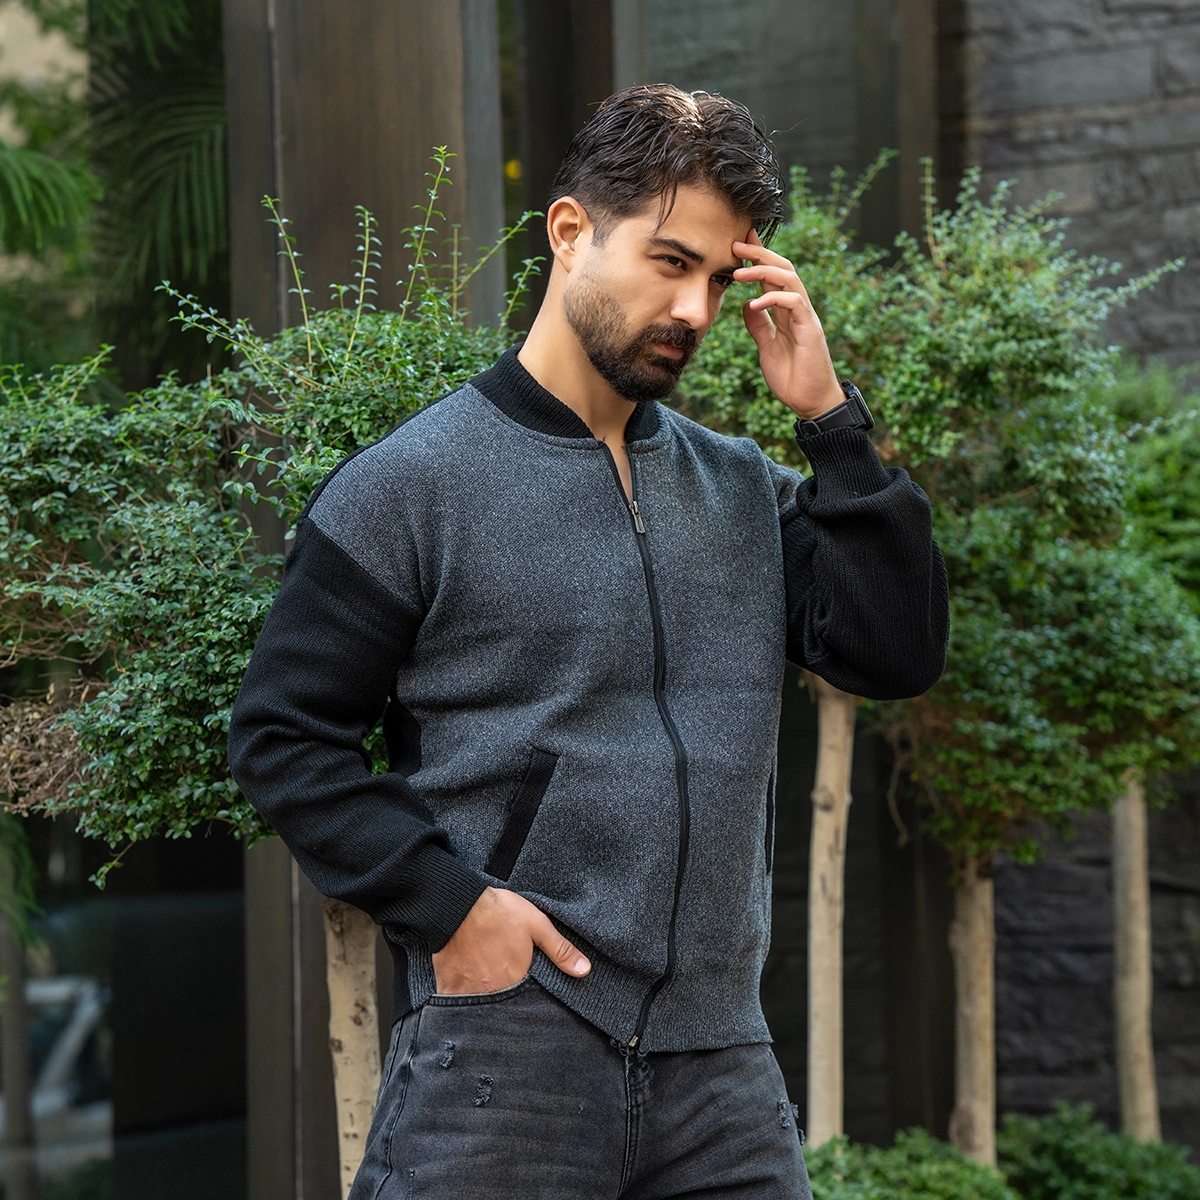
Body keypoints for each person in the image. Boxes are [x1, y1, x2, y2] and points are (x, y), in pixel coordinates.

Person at [228, 83, 948, 1200]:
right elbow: (282, 737)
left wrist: (831, 422)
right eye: (669, 262)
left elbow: (896, 653)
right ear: (570, 232)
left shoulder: (741, 491)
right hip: (508, 1047)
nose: (695, 310)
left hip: (721, 1065)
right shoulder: (411, 487)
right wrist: (453, 910)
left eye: (719, 279)